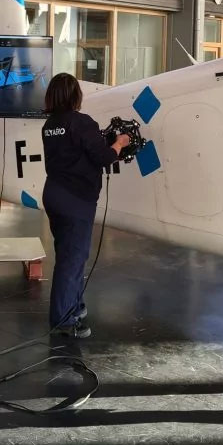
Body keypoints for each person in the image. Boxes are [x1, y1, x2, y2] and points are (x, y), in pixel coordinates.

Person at [41, 73, 130, 338]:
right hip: (75, 200)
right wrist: (119, 143)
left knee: (69, 255)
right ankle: (64, 321)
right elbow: (103, 158)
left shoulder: (49, 125)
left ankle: (75, 307)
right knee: (72, 260)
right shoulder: (82, 123)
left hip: (54, 194)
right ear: (75, 96)